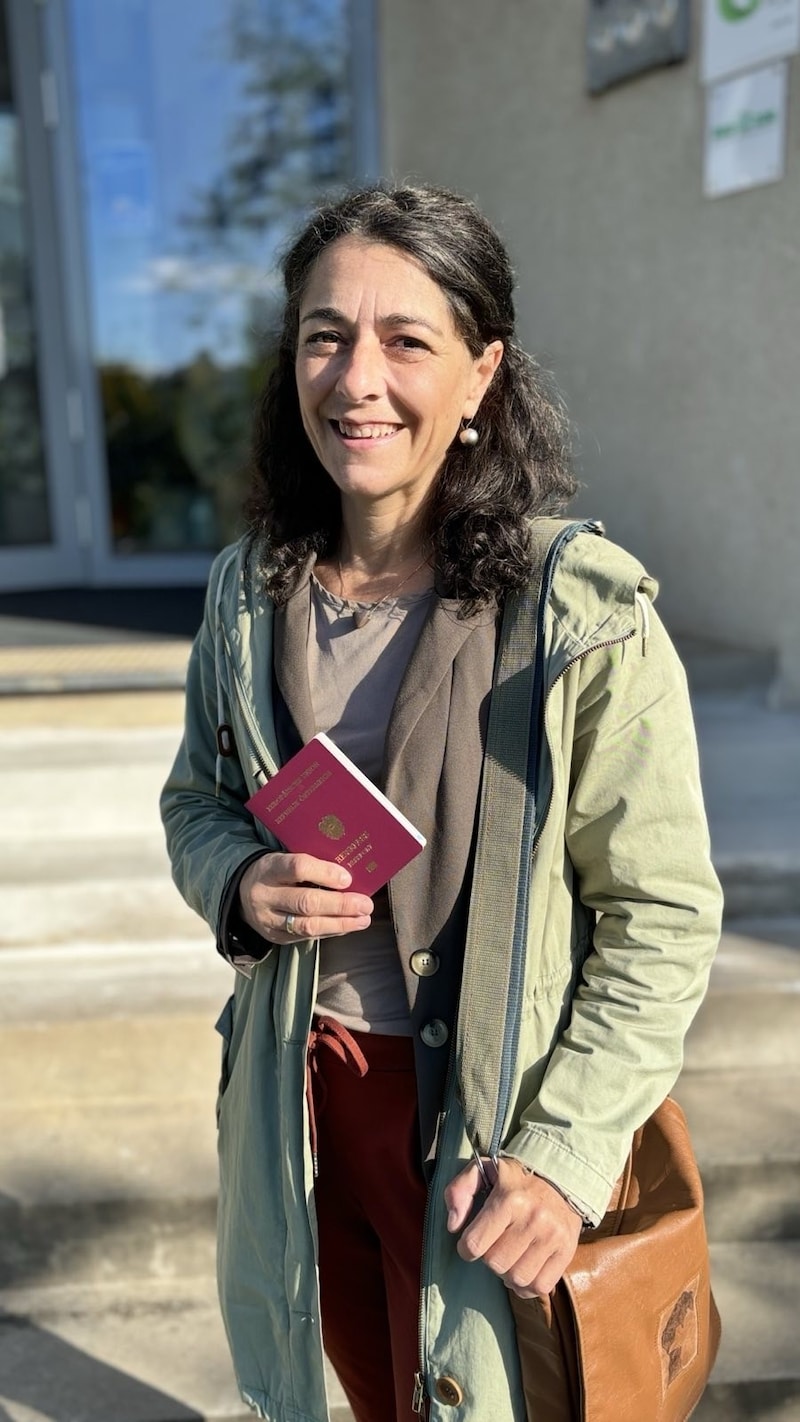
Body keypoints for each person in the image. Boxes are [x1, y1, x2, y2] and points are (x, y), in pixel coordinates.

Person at [160, 183, 722, 1422]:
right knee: (363, 1397)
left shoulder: (581, 613)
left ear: (480, 375)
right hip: (303, 1110)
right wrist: (240, 882)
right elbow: (196, 800)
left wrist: (561, 1155)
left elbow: (660, 919)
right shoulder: (244, 593)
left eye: (405, 340)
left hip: (489, 1134)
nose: (357, 378)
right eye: (324, 335)